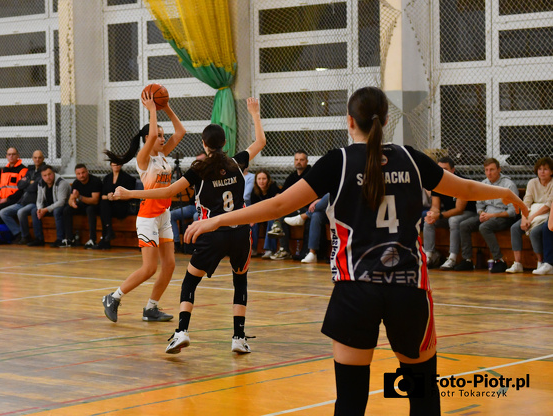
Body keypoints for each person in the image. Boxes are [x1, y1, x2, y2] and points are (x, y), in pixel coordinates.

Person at [184, 86, 527, 415]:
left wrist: (218, 220)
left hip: (355, 289)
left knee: (350, 402)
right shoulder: (411, 158)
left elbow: (278, 205)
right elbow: (465, 188)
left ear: (350, 121)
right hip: (409, 289)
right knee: (423, 397)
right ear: (387, 119)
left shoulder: (339, 162)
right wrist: (508, 194)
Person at [115, 97, 266, 354]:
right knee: (240, 282)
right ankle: (238, 338)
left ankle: (182, 332)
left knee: (190, 282)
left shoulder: (200, 169)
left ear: (204, 145)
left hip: (212, 232)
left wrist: (130, 194)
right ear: (225, 143)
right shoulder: (237, 162)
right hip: (240, 232)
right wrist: (254, 114)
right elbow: (260, 142)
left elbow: (167, 192)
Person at [100, 90, 185, 323]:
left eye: (163, 135)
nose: (163, 139)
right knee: (149, 268)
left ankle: (151, 308)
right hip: (148, 216)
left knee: (169, 265)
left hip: (163, 214)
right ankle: (113, 297)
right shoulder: (143, 159)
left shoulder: (163, 155)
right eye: (159, 136)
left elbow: (181, 132)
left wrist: (166, 107)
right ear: (148, 138)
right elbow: (152, 136)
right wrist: (152, 110)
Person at [455, 158, 519, 273]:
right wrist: (482, 214)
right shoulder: (483, 184)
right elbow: (479, 205)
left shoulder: (509, 185)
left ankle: (499, 260)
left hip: (503, 217)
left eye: (492, 170)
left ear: (499, 170)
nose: (489, 173)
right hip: (487, 215)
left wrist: (492, 215)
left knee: (484, 227)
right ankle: (467, 260)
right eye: (486, 170)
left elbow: (513, 211)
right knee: (464, 225)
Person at [422, 156, 477, 270]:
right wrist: (432, 214)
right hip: (448, 213)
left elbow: (459, 209)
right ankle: (429, 255)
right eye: (439, 169)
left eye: (445, 169)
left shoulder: (462, 182)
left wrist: (440, 215)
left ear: (453, 170)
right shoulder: (436, 183)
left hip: (467, 213)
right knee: (428, 221)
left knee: (453, 220)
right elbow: (435, 206)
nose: (442, 172)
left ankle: (452, 257)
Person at [506, 157, 553, 273]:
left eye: (545, 169)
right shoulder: (532, 183)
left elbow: (548, 205)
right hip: (531, 213)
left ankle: (540, 262)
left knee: (535, 232)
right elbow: (526, 203)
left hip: (546, 215)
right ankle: (517, 263)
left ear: (551, 171)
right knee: (514, 228)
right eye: (540, 169)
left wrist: (531, 218)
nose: (542, 172)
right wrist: (524, 219)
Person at [268, 150, 313, 260]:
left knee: (282, 215)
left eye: (301, 160)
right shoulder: (292, 176)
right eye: (296, 159)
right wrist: (278, 196)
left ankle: (277, 226)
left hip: (308, 208)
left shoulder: (311, 174)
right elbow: (283, 192)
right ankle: (284, 250)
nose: (298, 162)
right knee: (279, 214)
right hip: (294, 207)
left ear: (307, 161)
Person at [0, 150, 45, 245]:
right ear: (32, 158)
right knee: (3, 212)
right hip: (22, 201)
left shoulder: (45, 171)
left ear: (43, 158)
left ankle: (25, 236)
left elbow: (34, 187)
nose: (37, 159)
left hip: (34, 202)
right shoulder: (30, 170)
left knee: (20, 212)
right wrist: (29, 182)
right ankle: (18, 233)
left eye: (39, 157)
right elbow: (19, 185)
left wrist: (27, 183)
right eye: (35, 157)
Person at [58, 164, 102, 248]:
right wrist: (73, 204)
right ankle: (69, 239)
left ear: (87, 172)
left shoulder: (95, 181)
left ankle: (92, 239)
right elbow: (70, 200)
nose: (81, 175)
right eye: (78, 174)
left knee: (90, 209)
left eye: (83, 172)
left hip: (96, 206)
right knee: (67, 210)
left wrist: (80, 197)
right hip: (83, 205)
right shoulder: (76, 183)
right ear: (76, 174)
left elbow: (95, 200)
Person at [170, 152, 206, 253]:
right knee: (171, 215)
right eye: (197, 161)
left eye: (202, 161)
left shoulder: (210, 174)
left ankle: (196, 245)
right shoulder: (195, 173)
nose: (199, 163)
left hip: (203, 207)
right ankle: (177, 243)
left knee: (196, 216)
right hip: (192, 206)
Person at [96, 162, 135, 249]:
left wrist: (116, 197)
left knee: (104, 209)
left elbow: (131, 195)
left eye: (118, 163)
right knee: (104, 204)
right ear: (111, 165)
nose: (116, 165)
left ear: (121, 165)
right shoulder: (107, 178)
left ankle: (106, 237)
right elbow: (102, 196)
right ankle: (109, 231)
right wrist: (109, 196)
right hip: (109, 206)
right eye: (114, 163)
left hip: (122, 206)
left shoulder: (128, 178)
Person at [33, 165, 71, 246]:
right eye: (45, 175)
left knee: (57, 211)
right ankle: (39, 239)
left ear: (53, 173)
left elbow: (61, 202)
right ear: (42, 176)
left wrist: (46, 209)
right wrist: (40, 209)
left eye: (49, 174)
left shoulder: (61, 183)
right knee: (34, 211)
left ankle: (60, 239)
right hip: (50, 205)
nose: (47, 177)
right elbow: (39, 200)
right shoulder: (40, 183)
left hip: (64, 206)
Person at [250, 170, 281, 258]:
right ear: (256, 180)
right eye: (259, 179)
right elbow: (254, 208)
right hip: (261, 214)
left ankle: (269, 250)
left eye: (264, 179)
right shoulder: (254, 191)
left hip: (273, 213)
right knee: (252, 223)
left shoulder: (273, 187)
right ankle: (253, 249)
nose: (261, 181)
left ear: (268, 180)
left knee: (272, 221)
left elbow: (275, 206)